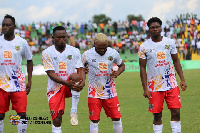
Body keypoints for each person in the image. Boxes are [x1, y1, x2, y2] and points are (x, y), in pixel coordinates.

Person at [138, 17, 187, 133]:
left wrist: (182, 79)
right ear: (149, 29)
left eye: (157, 27)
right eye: (152, 28)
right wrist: (145, 88)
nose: (155, 29)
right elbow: (142, 68)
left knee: (176, 112)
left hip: (171, 85)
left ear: (161, 28)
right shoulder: (144, 47)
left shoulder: (169, 42)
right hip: (154, 87)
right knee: (157, 115)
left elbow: (176, 61)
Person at [42, 26, 85, 133]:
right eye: (59, 37)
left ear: (67, 37)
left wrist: (82, 81)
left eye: (64, 37)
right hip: (55, 87)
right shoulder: (47, 52)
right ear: (53, 37)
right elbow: (51, 74)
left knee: (76, 77)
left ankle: (73, 110)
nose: (62, 40)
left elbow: (80, 69)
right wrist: (67, 83)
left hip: (70, 84)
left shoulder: (74, 51)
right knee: (57, 119)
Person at [82, 33, 125, 133]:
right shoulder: (86, 54)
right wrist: (83, 78)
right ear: (94, 44)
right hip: (93, 93)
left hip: (110, 92)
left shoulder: (113, 53)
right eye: (99, 47)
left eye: (104, 47)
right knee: (94, 121)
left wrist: (117, 72)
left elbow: (122, 65)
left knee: (117, 118)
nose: (102, 50)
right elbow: (81, 68)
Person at [0, 14, 33, 133]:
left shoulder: (22, 42)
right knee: (0, 115)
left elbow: (29, 60)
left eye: (7, 25)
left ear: (14, 27)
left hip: (18, 83)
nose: (4, 27)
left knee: (22, 114)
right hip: (1, 84)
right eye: (3, 25)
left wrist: (29, 81)